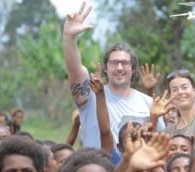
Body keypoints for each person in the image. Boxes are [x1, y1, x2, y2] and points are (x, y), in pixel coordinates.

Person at [63, 1, 164, 148]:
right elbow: (75, 71)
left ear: (133, 69)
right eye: (114, 63)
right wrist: (69, 38)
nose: (119, 67)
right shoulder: (91, 97)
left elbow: (157, 140)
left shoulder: (148, 103)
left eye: (125, 63)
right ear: (105, 68)